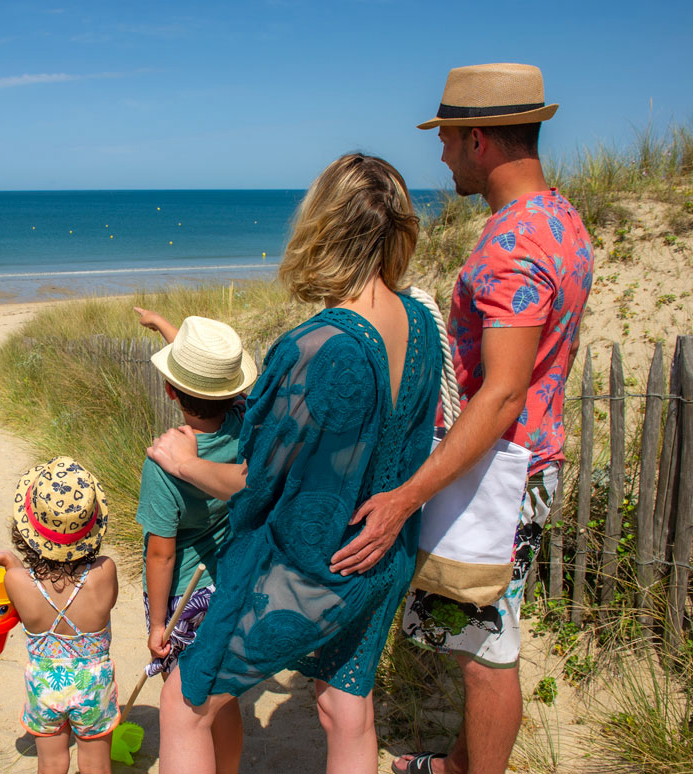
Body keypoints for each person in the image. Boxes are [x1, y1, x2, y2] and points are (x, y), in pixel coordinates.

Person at [328, 64, 594, 774]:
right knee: (485, 637)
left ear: (478, 139)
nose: (440, 155)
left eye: (446, 139)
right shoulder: (560, 219)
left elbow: (503, 393)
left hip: (502, 470)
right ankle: (450, 765)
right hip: (524, 460)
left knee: (487, 653)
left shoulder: (515, 244)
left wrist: (406, 497)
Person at [147, 153, 443, 774]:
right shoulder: (419, 321)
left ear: (323, 226)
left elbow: (256, 482)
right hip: (381, 556)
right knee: (346, 707)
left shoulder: (319, 345)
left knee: (186, 704)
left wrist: (185, 462)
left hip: (312, 570)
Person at [132, 310, 256, 771]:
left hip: (187, 593)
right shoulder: (244, 420)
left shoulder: (164, 462)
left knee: (189, 699)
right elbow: (220, 386)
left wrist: (157, 625)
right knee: (221, 692)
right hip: (230, 581)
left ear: (169, 390)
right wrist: (165, 326)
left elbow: (161, 553)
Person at [0, 456, 119, 774]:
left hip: (46, 684)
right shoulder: (105, 571)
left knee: (52, 763)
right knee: (97, 765)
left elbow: (21, 582)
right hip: (93, 682)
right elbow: (107, 604)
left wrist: (11, 562)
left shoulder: (17, 582)